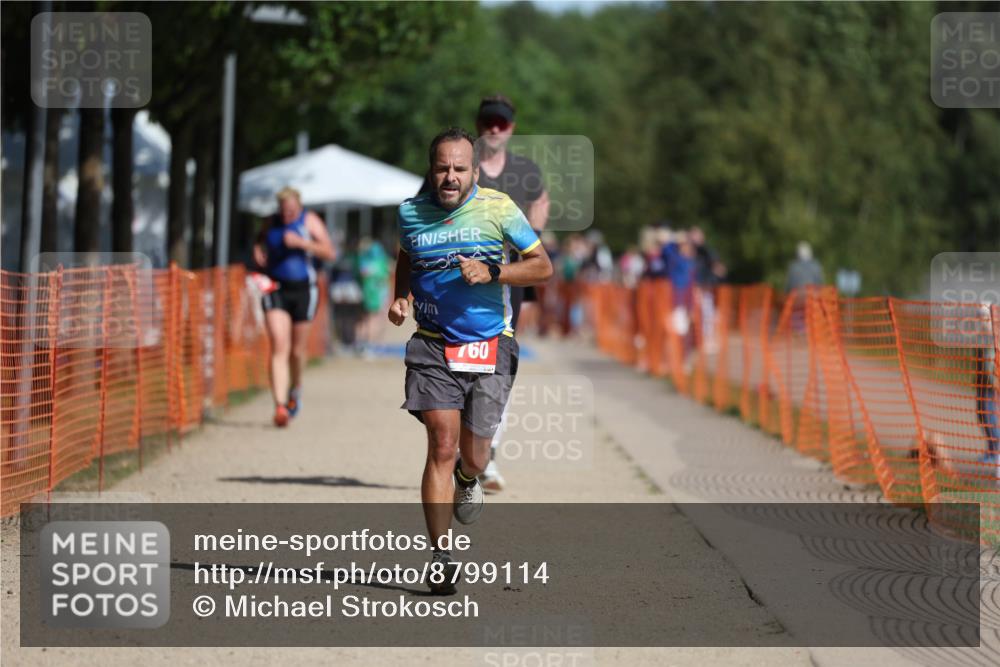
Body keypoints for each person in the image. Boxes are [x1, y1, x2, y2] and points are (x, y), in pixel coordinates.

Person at [388, 127, 552, 594]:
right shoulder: (410, 213)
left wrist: (495, 271)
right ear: (431, 169)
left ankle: (468, 476)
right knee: (441, 443)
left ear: (474, 171)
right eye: (442, 168)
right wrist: (401, 296)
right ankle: (440, 556)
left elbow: (542, 266)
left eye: (460, 168)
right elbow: (406, 256)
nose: (450, 177)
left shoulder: (498, 208)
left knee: (474, 453)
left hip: (489, 344)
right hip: (432, 344)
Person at [473, 94, 549, 492]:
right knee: (458, 368)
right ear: (479, 123)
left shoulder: (524, 170)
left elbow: (540, 204)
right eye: (489, 121)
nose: (495, 128)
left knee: (498, 366)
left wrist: (530, 243)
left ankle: (487, 456)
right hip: (459, 283)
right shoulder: (458, 164)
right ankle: (463, 448)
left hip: (506, 282)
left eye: (502, 122)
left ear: (511, 128)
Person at [253, 187, 335, 427]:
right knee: (279, 345)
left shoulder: (309, 221)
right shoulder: (271, 222)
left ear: (298, 207)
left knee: (296, 352)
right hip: (275, 287)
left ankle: (295, 388)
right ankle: (279, 406)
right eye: (283, 210)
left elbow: (330, 252)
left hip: (304, 290)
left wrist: (302, 243)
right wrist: (257, 250)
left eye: (291, 211)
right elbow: (260, 239)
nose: (287, 215)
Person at [355, 237, 390, 358]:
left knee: (365, 319)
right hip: (376, 293)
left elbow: (361, 274)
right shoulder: (380, 262)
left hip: (367, 292)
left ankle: (362, 345)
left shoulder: (363, 261)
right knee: (374, 320)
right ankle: (370, 346)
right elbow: (385, 276)